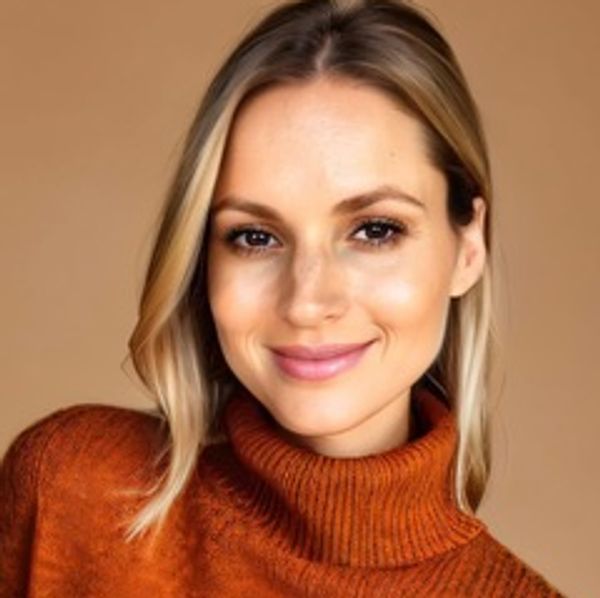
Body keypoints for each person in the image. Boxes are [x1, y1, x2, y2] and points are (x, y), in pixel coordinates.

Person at [0, 0, 565, 595]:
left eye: (375, 230)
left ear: (468, 247)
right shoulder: (74, 492)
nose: (306, 301)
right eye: (255, 237)